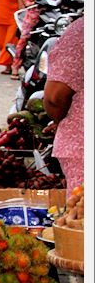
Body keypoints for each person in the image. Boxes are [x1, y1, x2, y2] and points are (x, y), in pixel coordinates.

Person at [44, 16, 84, 192]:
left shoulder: (81, 31)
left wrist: (59, 118)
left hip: (82, 145)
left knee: (82, 212)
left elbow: (55, 97)